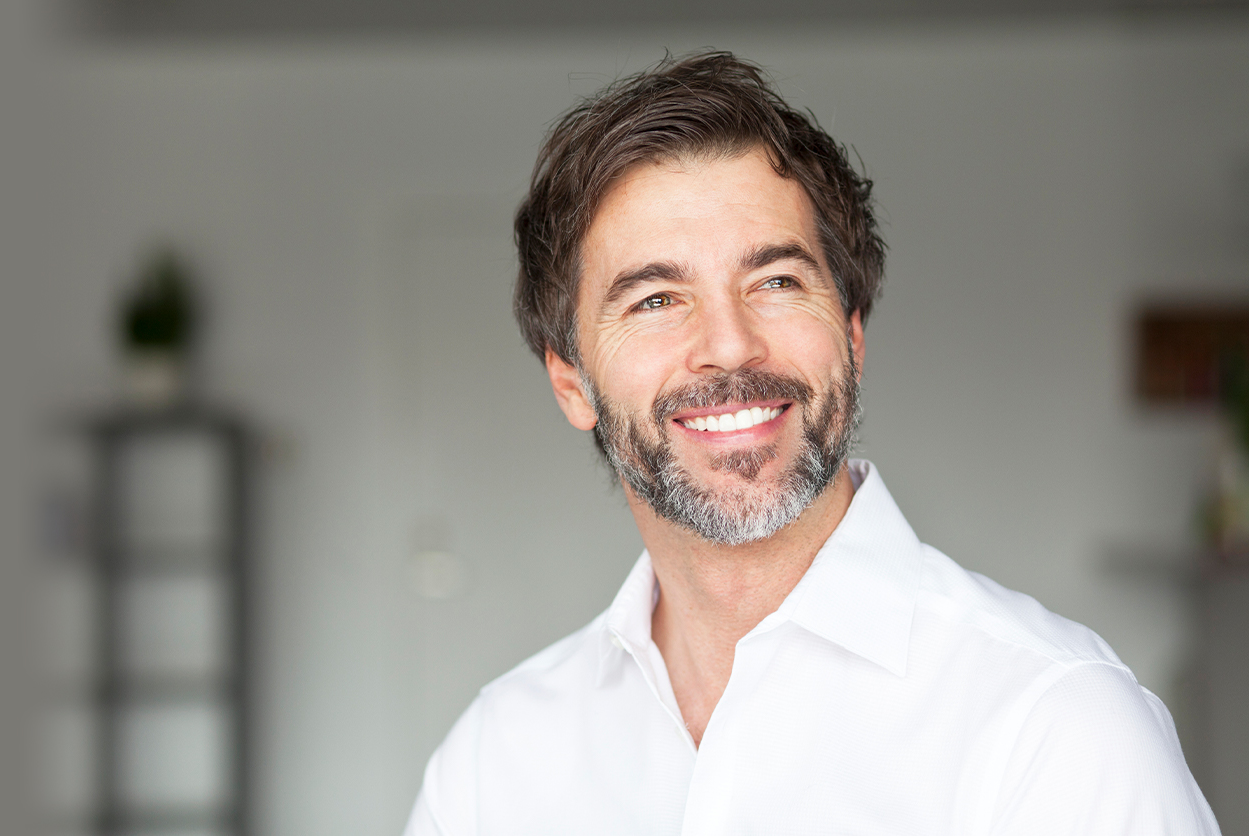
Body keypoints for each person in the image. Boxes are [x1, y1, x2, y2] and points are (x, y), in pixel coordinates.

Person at [401, 51, 1219, 834]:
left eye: (777, 281)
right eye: (654, 298)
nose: (729, 344)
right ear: (572, 383)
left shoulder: (1056, 728)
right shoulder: (491, 762)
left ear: (853, 337)